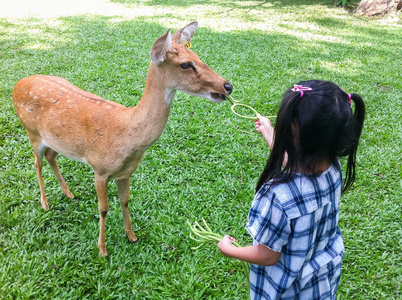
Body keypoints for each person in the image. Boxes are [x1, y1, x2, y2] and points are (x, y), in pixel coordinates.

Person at [217, 80, 366, 299]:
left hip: (288, 290)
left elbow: (268, 256)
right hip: (321, 280)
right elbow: (299, 163)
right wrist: (269, 132)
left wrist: (229, 250)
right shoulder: (332, 167)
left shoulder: (278, 196)